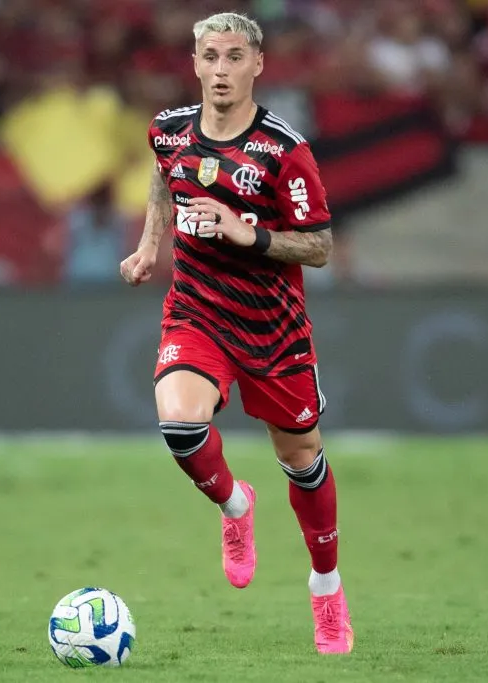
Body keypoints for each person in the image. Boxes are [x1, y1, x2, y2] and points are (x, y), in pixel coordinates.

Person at [119, 12, 353, 654]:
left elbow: (321, 246)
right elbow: (163, 175)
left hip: (273, 329)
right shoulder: (169, 131)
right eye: (210, 57)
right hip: (197, 313)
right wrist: (149, 246)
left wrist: (246, 233)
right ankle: (236, 507)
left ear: (257, 64)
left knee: (302, 461)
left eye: (233, 57)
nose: (220, 70)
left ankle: (326, 589)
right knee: (179, 424)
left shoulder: (284, 151)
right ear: (195, 64)